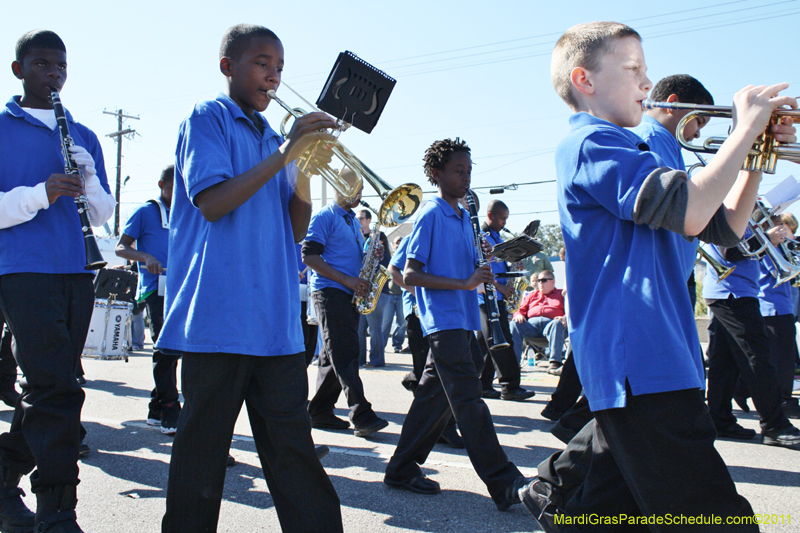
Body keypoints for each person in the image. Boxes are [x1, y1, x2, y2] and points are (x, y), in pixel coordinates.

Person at [520, 21, 798, 531]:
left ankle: (557, 493)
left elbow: (724, 227)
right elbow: (690, 210)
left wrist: (756, 153)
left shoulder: (632, 147)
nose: (647, 83)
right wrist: (741, 130)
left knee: (607, 510)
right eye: (633, 70)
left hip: (663, 352)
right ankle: (556, 491)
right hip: (640, 358)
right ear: (584, 80)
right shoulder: (591, 143)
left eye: (645, 71)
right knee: (715, 518)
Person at [155, 24, 342, 533]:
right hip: (217, 320)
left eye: (279, 68)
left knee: (295, 457)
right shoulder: (208, 117)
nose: (273, 77)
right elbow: (213, 203)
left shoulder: (273, 137)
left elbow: (295, 228)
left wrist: (303, 166)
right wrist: (286, 153)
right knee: (202, 458)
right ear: (228, 67)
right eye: (262, 63)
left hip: (275, 324)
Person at [0, 29, 116, 533]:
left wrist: (87, 178)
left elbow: (105, 212)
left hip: (75, 269)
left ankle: (3, 476)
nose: (54, 74)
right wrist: (39, 193)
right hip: (21, 269)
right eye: (43, 64)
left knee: (56, 388)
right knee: (55, 390)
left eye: (61, 66)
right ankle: (57, 513)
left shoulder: (83, 135)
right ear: (19, 69)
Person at [384, 138, 527, 512]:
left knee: (434, 398)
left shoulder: (463, 217)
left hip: (463, 320)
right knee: (468, 401)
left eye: (468, 171)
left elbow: (411, 265)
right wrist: (460, 285)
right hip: (443, 322)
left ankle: (400, 468)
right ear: (436, 174)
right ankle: (505, 481)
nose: (465, 178)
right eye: (457, 171)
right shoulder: (431, 213)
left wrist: (491, 273)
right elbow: (407, 273)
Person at [303, 170, 389, 437]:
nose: (360, 195)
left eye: (362, 189)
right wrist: (347, 280)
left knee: (332, 356)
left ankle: (319, 412)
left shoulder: (353, 221)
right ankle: (361, 414)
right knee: (346, 351)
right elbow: (309, 256)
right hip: (330, 292)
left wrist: (373, 255)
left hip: (349, 293)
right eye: (356, 188)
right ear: (339, 185)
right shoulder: (325, 216)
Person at [702, 222, 800, 442]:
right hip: (733, 293)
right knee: (758, 359)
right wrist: (767, 238)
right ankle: (775, 425)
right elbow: (730, 251)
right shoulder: (729, 210)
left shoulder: (739, 213)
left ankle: (719, 418)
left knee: (723, 362)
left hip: (731, 292)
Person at [115, 165, 181, 435]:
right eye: (171, 187)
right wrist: (146, 258)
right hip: (155, 287)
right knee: (165, 347)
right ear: (160, 184)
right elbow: (121, 247)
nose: (177, 193)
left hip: (180, 287)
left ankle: (156, 409)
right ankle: (168, 406)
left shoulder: (188, 211)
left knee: (177, 348)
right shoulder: (146, 212)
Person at [476, 200, 536, 400]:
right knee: (503, 341)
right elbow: (481, 268)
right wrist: (499, 286)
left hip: (496, 294)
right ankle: (510, 386)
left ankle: (483, 385)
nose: (504, 222)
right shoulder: (481, 237)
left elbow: (498, 267)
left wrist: (513, 268)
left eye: (506, 219)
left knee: (487, 343)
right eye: (501, 218)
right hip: (487, 296)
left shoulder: (497, 237)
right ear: (490, 216)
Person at [509, 270, 566, 373]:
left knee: (557, 323)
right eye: (538, 280)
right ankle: (513, 364)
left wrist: (565, 317)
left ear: (553, 281)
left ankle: (555, 362)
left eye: (544, 280)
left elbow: (572, 311)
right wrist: (519, 315)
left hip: (552, 326)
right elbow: (519, 310)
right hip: (531, 327)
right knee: (514, 324)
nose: (540, 283)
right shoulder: (531, 295)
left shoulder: (561, 294)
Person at [386, 234, 408, 353]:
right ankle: (381, 347)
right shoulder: (390, 257)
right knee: (385, 323)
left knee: (401, 323)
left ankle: (397, 345)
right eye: (397, 242)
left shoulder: (407, 258)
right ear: (393, 245)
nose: (399, 244)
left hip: (401, 295)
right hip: (389, 294)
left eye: (401, 242)